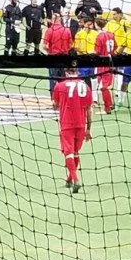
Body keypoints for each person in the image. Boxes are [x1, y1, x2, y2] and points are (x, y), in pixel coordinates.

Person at [51, 61, 93, 193]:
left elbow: (55, 105)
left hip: (66, 123)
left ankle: (75, 180)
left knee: (68, 152)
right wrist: (88, 129)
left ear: (66, 72)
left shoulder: (60, 86)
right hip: (81, 124)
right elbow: (89, 110)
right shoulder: (85, 86)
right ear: (77, 71)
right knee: (75, 152)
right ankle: (69, 179)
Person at [42, 13, 73, 93]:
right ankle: (63, 99)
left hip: (53, 58)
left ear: (52, 20)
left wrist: (49, 51)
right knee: (63, 80)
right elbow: (71, 45)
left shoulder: (50, 30)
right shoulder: (67, 30)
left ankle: (54, 100)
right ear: (60, 19)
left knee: (53, 80)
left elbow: (44, 46)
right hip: (64, 58)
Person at [105, 7, 130, 100]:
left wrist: (124, 16)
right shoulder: (110, 23)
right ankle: (115, 90)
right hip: (112, 50)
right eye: (113, 14)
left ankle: (119, 90)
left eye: (115, 14)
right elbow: (105, 32)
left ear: (120, 14)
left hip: (122, 50)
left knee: (120, 71)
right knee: (113, 71)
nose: (113, 16)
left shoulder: (124, 22)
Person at [93, 17, 116, 114]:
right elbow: (115, 47)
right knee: (104, 86)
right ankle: (109, 104)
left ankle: (107, 108)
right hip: (111, 62)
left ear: (96, 25)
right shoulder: (111, 34)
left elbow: (97, 51)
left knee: (103, 87)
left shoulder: (99, 36)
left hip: (103, 63)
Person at [73, 15, 99, 83]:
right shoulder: (79, 34)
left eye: (91, 24)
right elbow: (75, 48)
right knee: (82, 80)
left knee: (94, 79)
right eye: (88, 24)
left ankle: (94, 93)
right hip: (83, 60)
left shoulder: (96, 34)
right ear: (84, 24)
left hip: (94, 60)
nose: (90, 26)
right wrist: (84, 50)